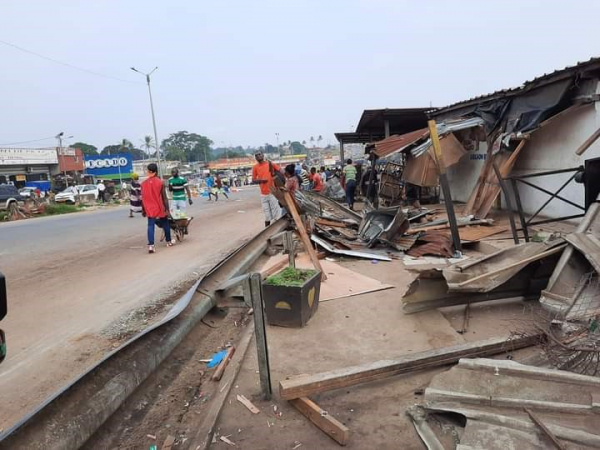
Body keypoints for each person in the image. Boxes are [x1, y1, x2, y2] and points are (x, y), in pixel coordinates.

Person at [141, 163, 174, 253]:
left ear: (149, 171)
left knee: (150, 225)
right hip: (159, 206)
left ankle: (151, 246)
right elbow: (164, 197)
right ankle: (169, 241)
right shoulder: (160, 182)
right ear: (156, 171)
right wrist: (167, 209)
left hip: (149, 207)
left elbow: (143, 198)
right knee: (165, 223)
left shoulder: (143, 184)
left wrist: (143, 209)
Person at [252, 151, 282, 227]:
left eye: (259, 154)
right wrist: (261, 180)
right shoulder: (255, 167)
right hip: (263, 194)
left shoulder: (270, 164)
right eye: (256, 155)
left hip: (272, 193)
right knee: (267, 216)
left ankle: (276, 230)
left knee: (276, 215)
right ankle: (266, 232)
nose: (258, 156)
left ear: (263, 155)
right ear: (255, 158)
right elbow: (253, 180)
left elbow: (280, 171)